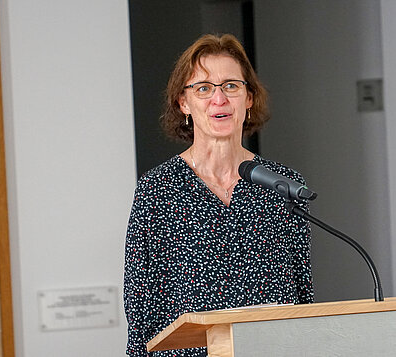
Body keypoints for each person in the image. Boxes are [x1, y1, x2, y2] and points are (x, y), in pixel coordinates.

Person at [123, 33, 314, 357]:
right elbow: (139, 301)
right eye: (203, 88)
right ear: (183, 102)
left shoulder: (284, 185)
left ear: (249, 98)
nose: (219, 99)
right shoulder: (157, 189)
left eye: (231, 86)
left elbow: (302, 291)